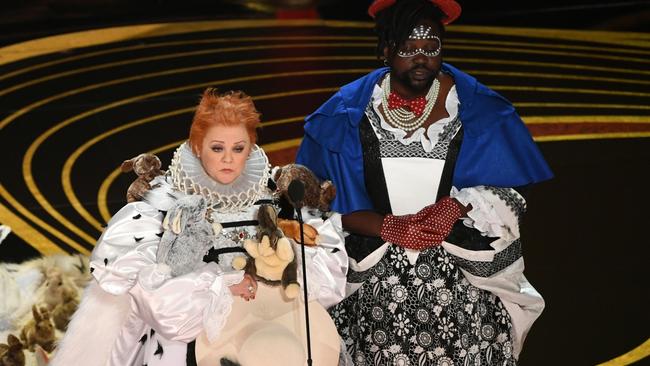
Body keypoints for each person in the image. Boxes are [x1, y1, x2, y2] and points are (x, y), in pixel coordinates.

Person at [295, 0, 554, 364]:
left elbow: (513, 188)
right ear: (385, 51)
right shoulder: (344, 113)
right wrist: (387, 226)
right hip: (372, 283)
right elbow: (313, 204)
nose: (422, 58)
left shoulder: (479, 109)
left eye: (431, 48)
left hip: (463, 282)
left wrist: (457, 206)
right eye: (408, 49)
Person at [51, 89, 347, 366]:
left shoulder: (277, 196)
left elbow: (326, 277)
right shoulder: (163, 206)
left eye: (238, 148)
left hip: (266, 332)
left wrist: (280, 266)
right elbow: (161, 304)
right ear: (197, 146)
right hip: (187, 343)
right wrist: (226, 285)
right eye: (217, 148)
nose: (228, 158)